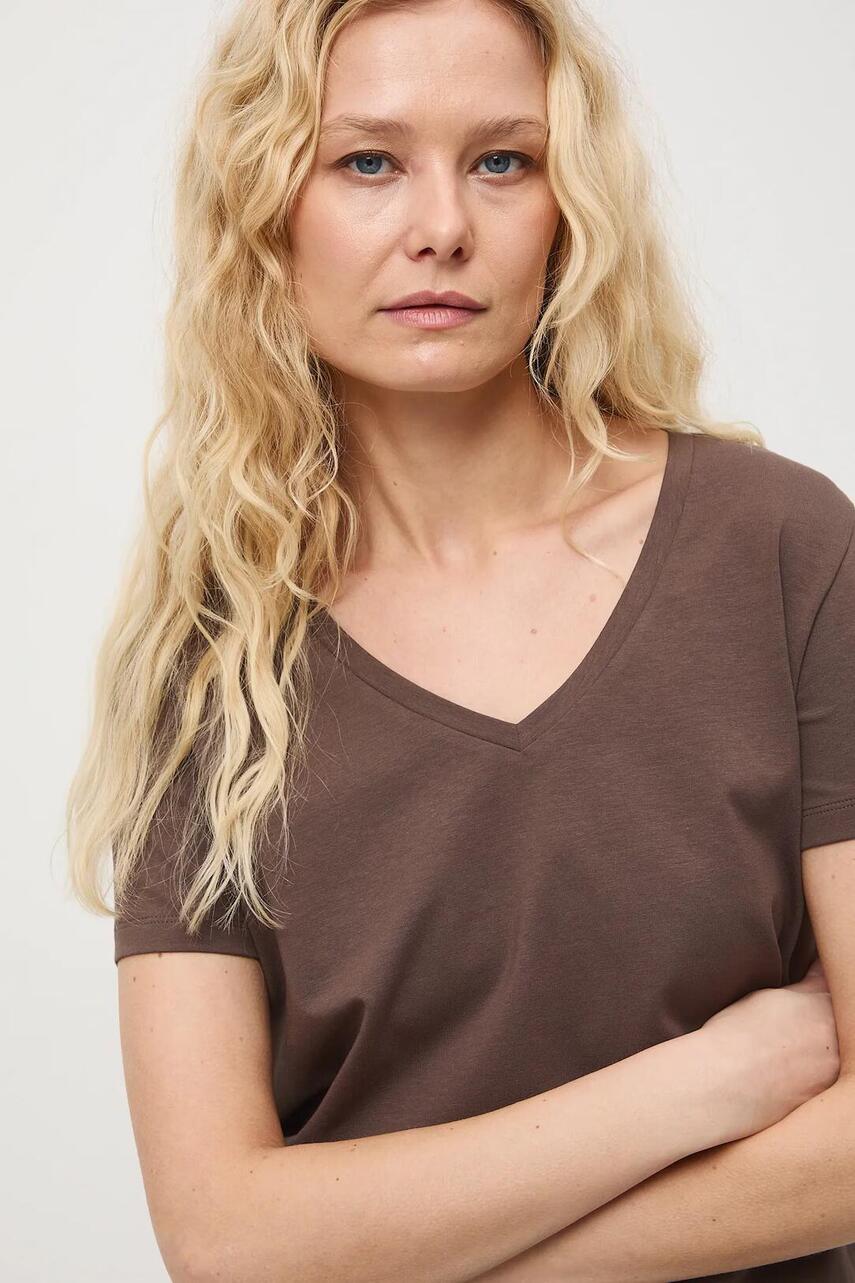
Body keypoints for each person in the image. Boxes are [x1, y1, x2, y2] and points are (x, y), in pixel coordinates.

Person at [65, 1, 855, 1279]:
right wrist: (700, 1083)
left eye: (502, 159)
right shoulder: (215, 663)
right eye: (368, 160)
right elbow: (222, 1238)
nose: (442, 225)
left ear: (569, 206)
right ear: (267, 214)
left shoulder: (782, 548)